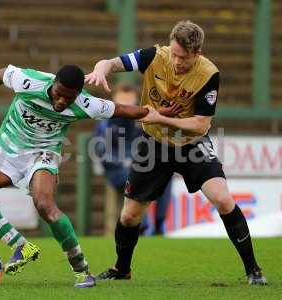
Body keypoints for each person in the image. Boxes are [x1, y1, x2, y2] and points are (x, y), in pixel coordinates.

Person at [85, 20, 266, 285]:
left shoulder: (208, 74)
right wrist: (101, 69)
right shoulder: (153, 57)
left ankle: (254, 270)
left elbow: (200, 124)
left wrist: (160, 117)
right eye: (174, 53)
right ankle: (122, 270)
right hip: (153, 144)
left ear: (198, 53)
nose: (177, 61)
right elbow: (111, 63)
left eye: (184, 57)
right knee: (129, 215)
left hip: (191, 144)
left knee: (224, 200)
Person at [0, 64, 151, 288]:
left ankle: (82, 271)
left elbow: (124, 110)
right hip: (9, 150)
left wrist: (158, 113)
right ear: (53, 84)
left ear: (77, 95)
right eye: (59, 94)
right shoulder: (29, 82)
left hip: (44, 153)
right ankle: (21, 246)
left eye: (69, 99)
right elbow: (0, 74)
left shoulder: (85, 103)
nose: (61, 102)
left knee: (45, 204)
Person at [93, 83, 173, 235]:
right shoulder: (105, 123)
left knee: (165, 177)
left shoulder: (144, 121)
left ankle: (159, 225)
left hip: (140, 167)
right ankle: (141, 223)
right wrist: (124, 161)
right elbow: (101, 151)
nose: (126, 107)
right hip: (118, 172)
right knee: (135, 176)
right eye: (122, 103)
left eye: (130, 103)